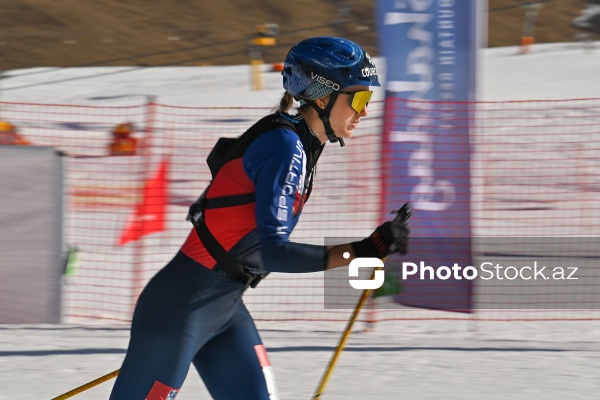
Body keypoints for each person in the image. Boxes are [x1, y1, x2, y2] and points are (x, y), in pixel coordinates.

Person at [109, 36, 411, 400]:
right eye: (359, 99)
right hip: (180, 309)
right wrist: (361, 250)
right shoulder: (285, 148)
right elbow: (273, 253)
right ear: (322, 96)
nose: (364, 112)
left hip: (223, 308)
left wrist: (368, 248)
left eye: (368, 100)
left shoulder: (301, 144)